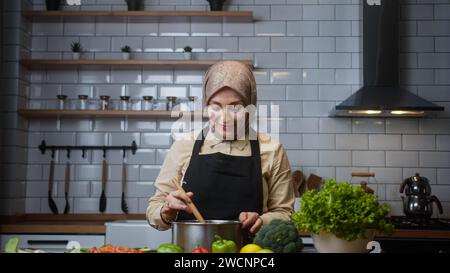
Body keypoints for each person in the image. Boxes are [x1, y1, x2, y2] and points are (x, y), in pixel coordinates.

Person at [147, 61, 295, 235]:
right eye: (215, 106)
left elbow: (286, 215)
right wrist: (166, 210)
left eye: (236, 107)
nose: (225, 118)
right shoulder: (183, 145)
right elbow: (154, 209)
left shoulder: (272, 150)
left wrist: (263, 221)